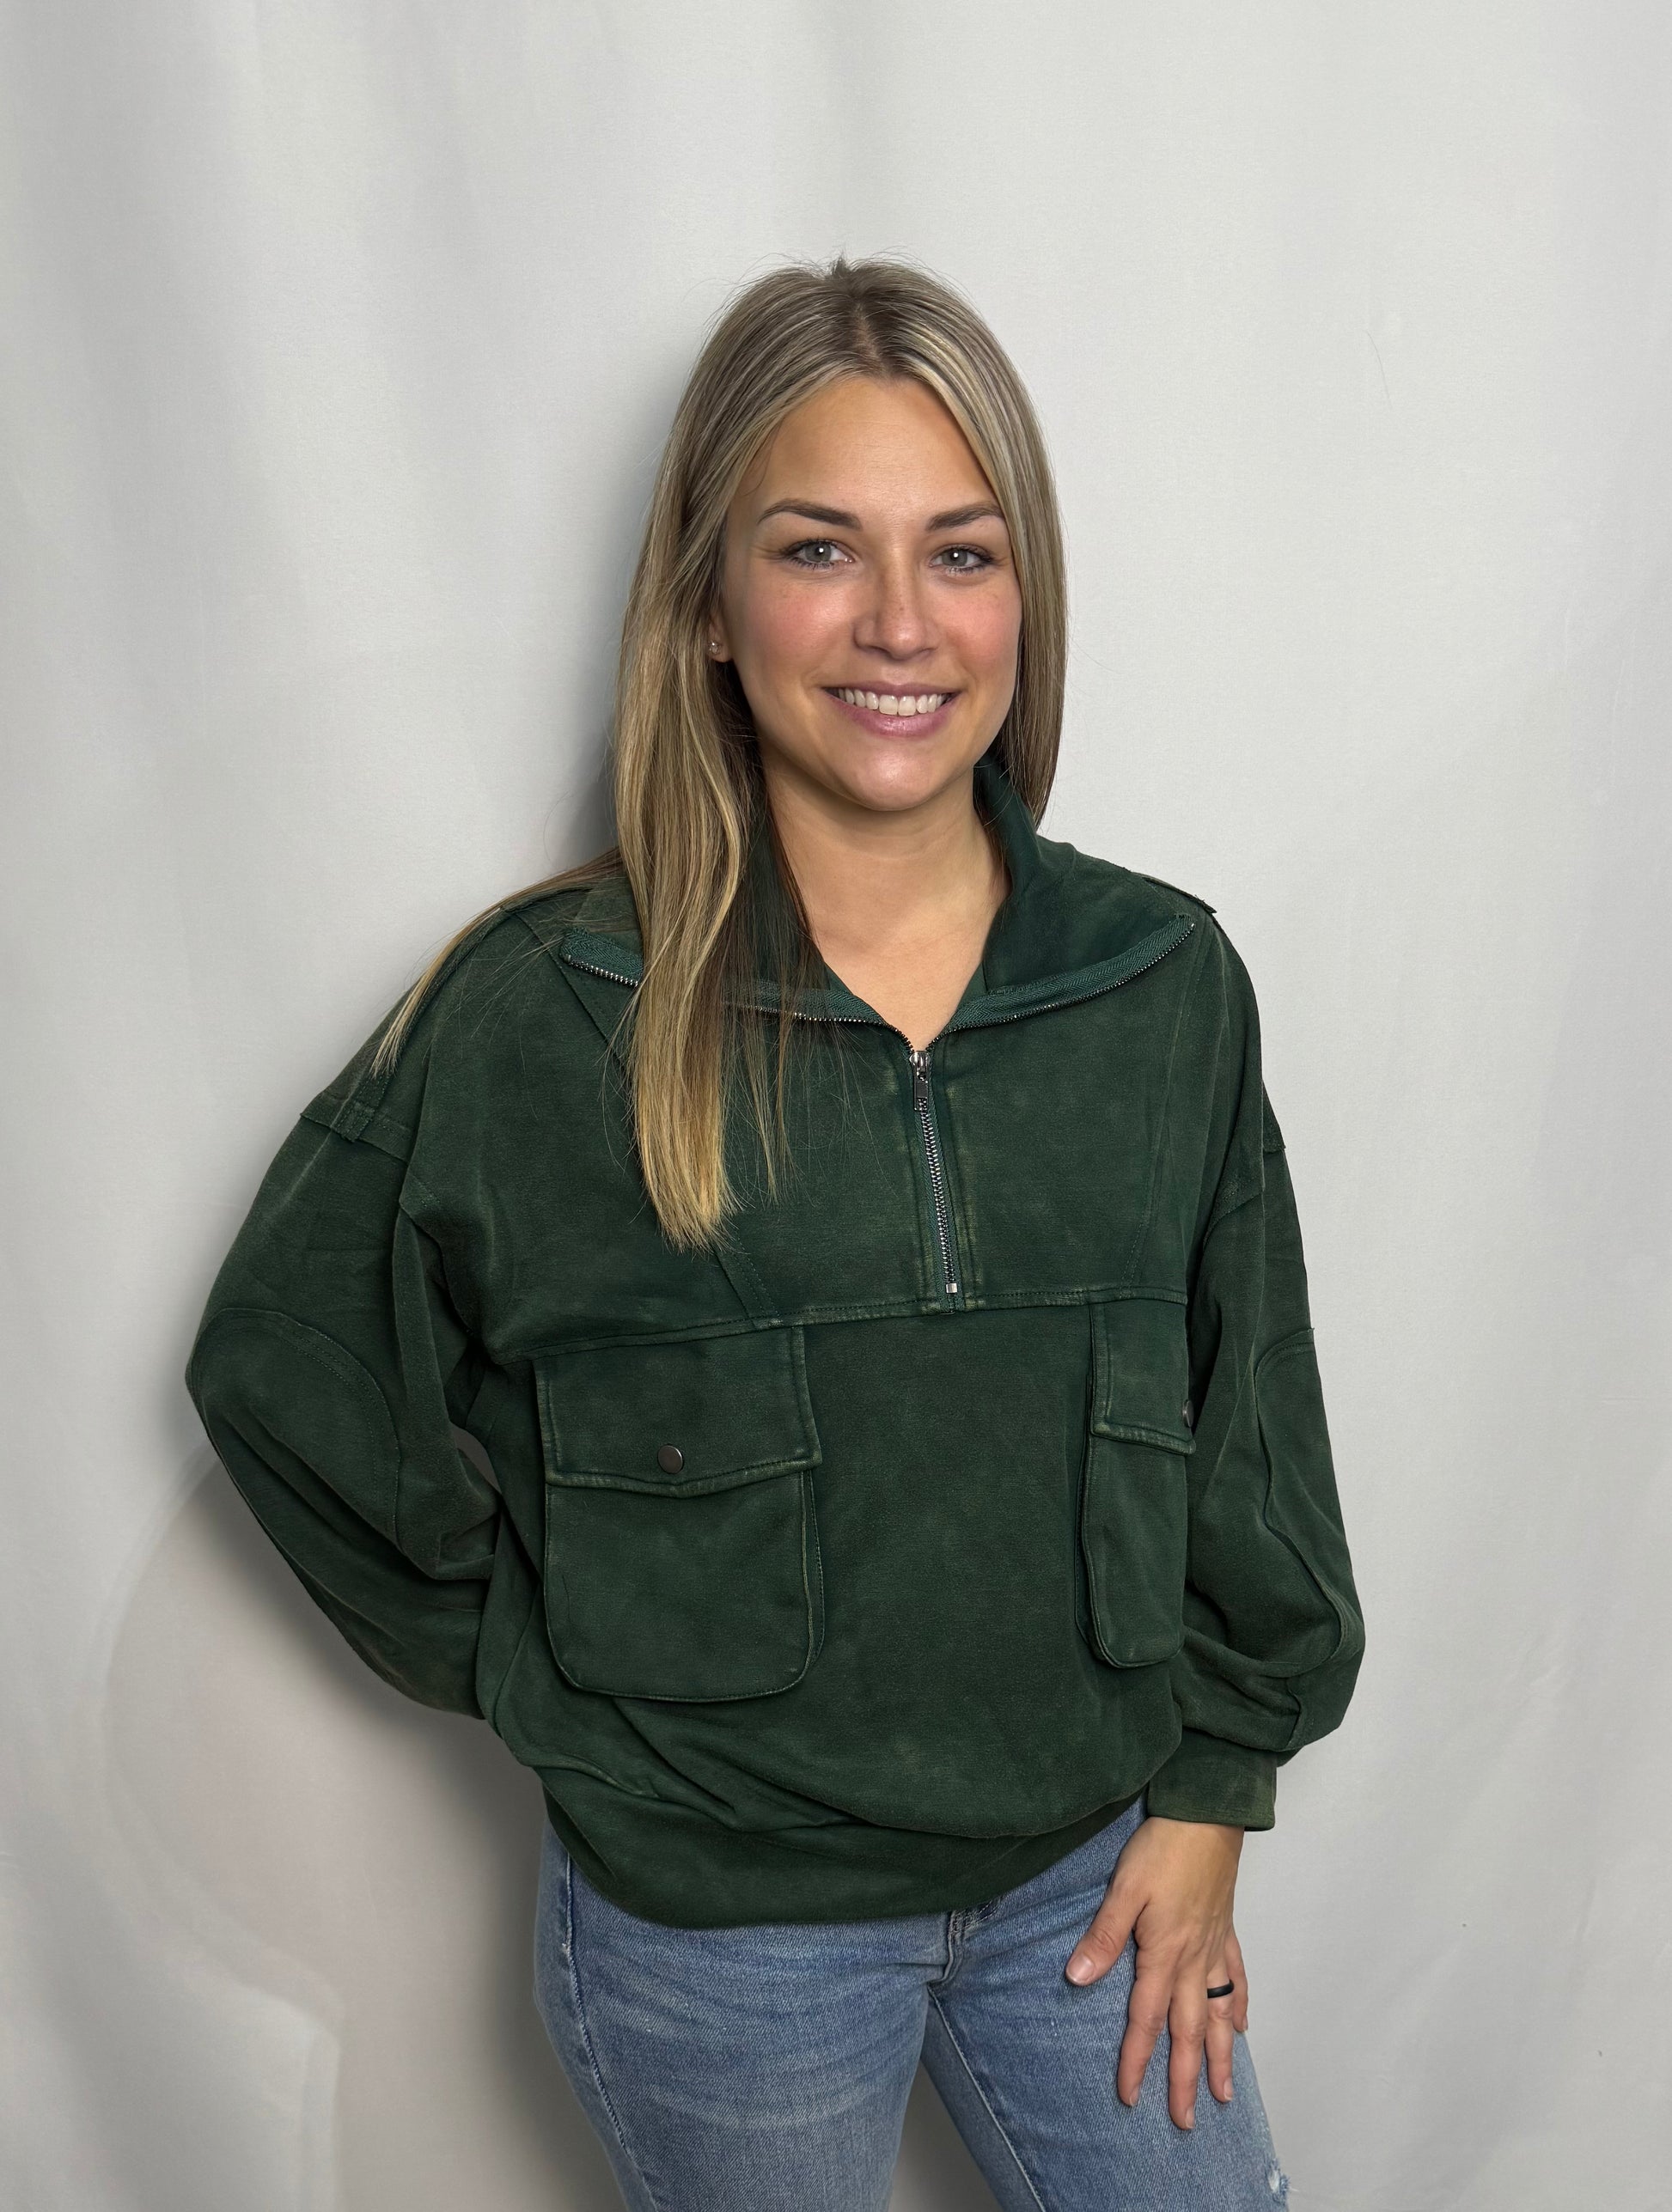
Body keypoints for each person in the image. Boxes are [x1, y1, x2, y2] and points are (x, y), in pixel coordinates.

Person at [186, 253, 1364, 2212]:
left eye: (961, 553)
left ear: (1025, 599)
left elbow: (1256, 1418)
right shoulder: (543, 1012)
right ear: (709, 608)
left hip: (1092, 1876)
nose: (899, 621)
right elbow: (283, 1367)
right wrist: (535, 1662)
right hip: (722, 1940)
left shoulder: (1157, 983)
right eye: (819, 548)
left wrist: (1214, 1788)